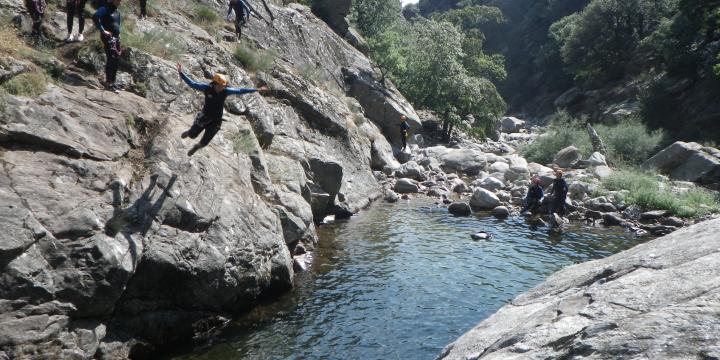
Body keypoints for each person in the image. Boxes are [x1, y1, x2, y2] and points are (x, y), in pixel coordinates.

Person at [177, 63, 268, 156]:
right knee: (193, 135)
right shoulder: (207, 88)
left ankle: (196, 147)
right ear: (215, 84)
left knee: (205, 142)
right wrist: (181, 73)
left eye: (223, 86)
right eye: (220, 86)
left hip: (216, 121)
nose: (222, 88)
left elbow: (240, 90)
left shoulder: (225, 91)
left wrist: (257, 89)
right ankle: (189, 133)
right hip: (204, 116)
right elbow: (192, 84)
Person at [92, 0, 122, 92]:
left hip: (116, 38)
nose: (119, 2)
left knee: (116, 59)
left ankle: (113, 82)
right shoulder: (105, 8)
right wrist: (102, 30)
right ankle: (109, 83)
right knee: (111, 57)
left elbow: (118, 24)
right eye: (118, 0)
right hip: (108, 37)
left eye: (120, 1)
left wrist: (119, 34)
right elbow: (95, 17)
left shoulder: (117, 12)